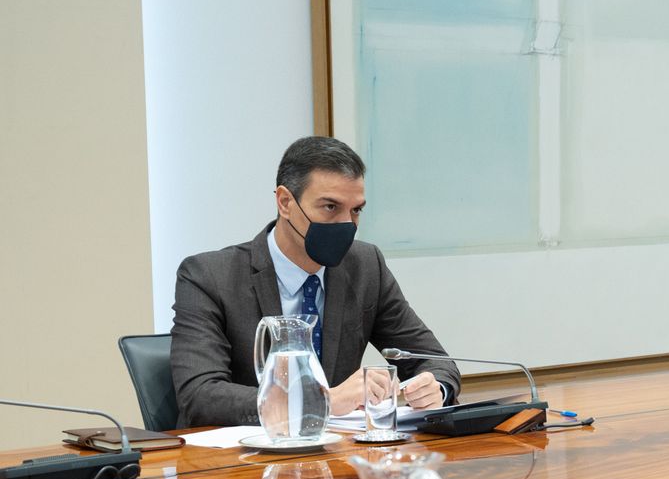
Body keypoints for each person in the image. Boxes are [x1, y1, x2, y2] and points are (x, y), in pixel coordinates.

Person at [171, 136, 460, 427]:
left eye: (356, 210)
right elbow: (200, 396)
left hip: (339, 456)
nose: (346, 224)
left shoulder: (365, 265)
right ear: (285, 202)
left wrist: (434, 388)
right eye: (330, 207)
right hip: (242, 461)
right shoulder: (208, 276)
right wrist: (322, 400)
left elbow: (433, 360)